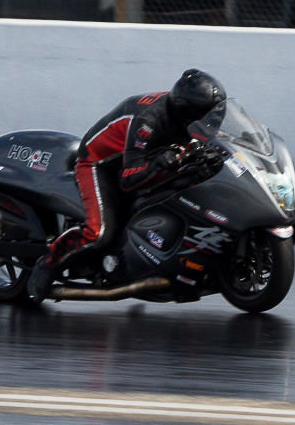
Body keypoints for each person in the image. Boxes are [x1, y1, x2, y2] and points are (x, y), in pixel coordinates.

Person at [27, 68, 227, 302]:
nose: (210, 123)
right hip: (100, 164)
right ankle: (48, 263)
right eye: (205, 118)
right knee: (98, 232)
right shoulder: (149, 122)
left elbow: (212, 135)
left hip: (145, 156)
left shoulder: (189, 113)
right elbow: (129, 178)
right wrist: (160, 164)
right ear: (187, 113)